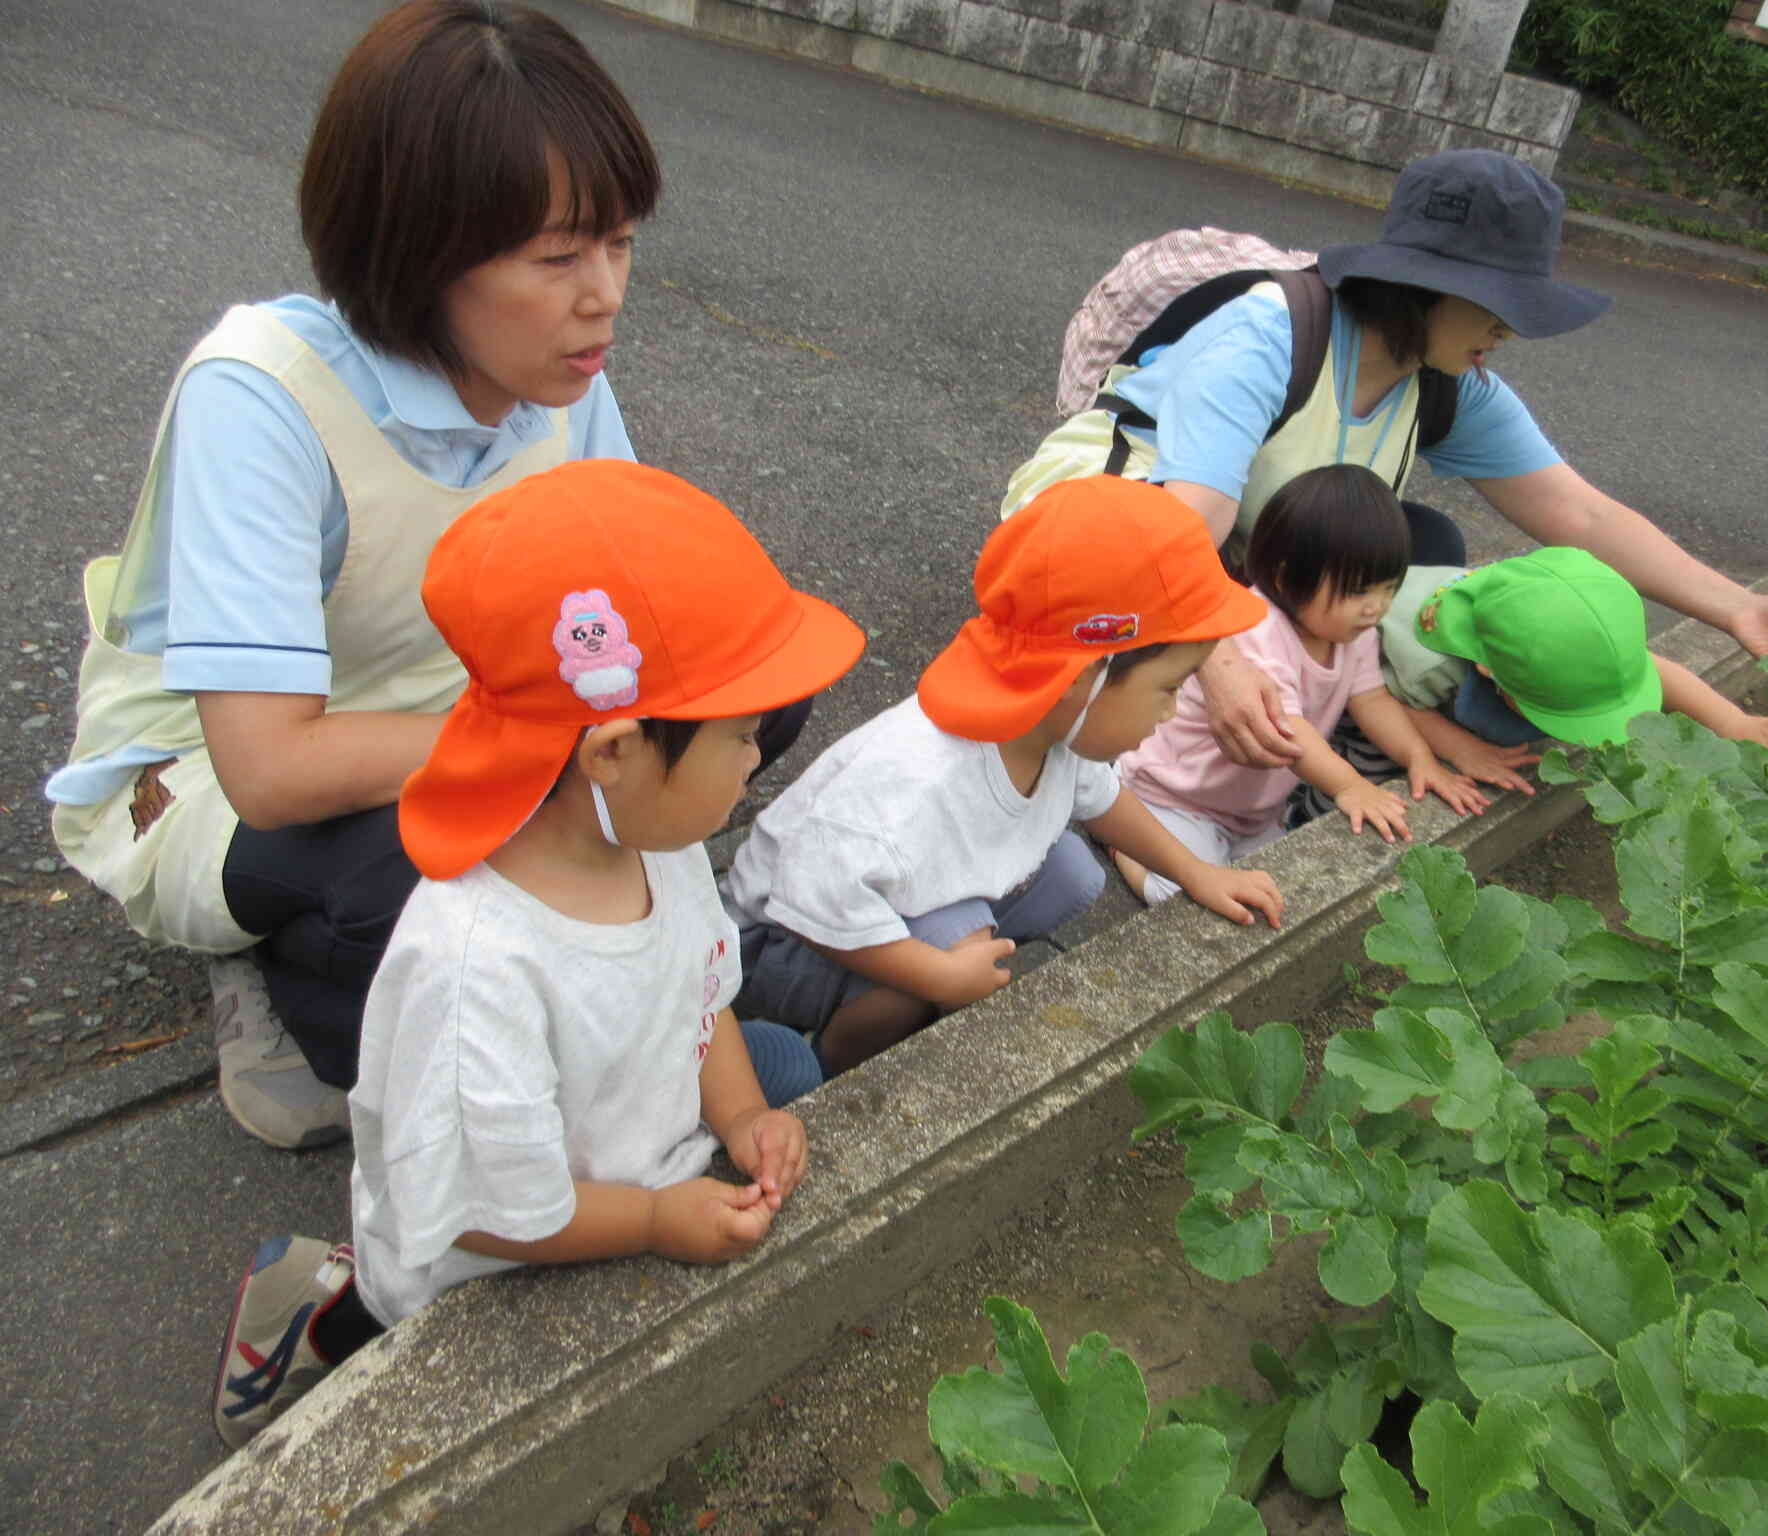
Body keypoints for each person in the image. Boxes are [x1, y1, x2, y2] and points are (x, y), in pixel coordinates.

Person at [44, 2, 800, 1152]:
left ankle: (617, 982)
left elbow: (650, 593)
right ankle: (276, 974)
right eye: (557, 257)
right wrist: (558, 744)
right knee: (412, 873)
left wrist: (638, 714)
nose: (605, 294)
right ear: (417, 245)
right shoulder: (263, 395)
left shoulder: (561, 374)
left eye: (621, 243)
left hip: (479, 710)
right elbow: (271, 768)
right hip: (218, 774)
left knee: (753, 693)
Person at [211, 459, 866, 1451]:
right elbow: (484, 1216)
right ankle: (302, 1318)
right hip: (489, 1260)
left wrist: (740, 1115)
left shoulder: (661, 845)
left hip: (626, 1166)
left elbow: (701, 1002)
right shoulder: (478, 964)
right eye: (741, 736)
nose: (754, 761)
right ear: (609, 753)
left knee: (776, 1066)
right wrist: (653, 1223)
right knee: (398, 1362)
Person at [1001, 147, 1768, 777]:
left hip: (1248, 546)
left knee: (1425, 543)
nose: (1507, 333)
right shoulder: (1270, 335)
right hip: (1126, 520)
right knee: (1157, 662)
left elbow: (1578, 512)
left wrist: (1737, 608)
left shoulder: (1449, 380)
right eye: (1497, 306)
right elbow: (1183, 529)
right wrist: (1216, 659)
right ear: (1423, 289)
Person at [724, 476, 1286, 1077]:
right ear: (1084, 679)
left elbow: (1104, 801)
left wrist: (1197, 874)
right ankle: (835, 1068)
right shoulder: (917, 781)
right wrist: (940, 976)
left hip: (876, 890)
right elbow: (812, 891)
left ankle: (933, 976)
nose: (1173, 711)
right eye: (1169, 689)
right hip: (778, 941)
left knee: (1071, 872)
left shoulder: (1053, 727)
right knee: (955, 959)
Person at [1114, 465, 1524, 905]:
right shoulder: (1258, 627)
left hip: (1250, 809)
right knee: (1179, 894)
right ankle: (1126, 843)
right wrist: (1350, 786)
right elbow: (1287, 727)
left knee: (1281, 886)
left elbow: (1373, 699)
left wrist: (1420, 757)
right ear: (1290, 575)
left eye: (1389, 588)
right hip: (1176, 795)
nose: (1377, 607)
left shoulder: (1352, 632)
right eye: (1359, 591)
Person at [1381, 547, 1768, 767]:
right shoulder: (1426, 665)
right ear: (1488, 669)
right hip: (1371, 672)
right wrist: (1462, 751)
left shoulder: (1568, 630)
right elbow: (1389, 705)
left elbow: (1660, 672)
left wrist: (1733, 724)